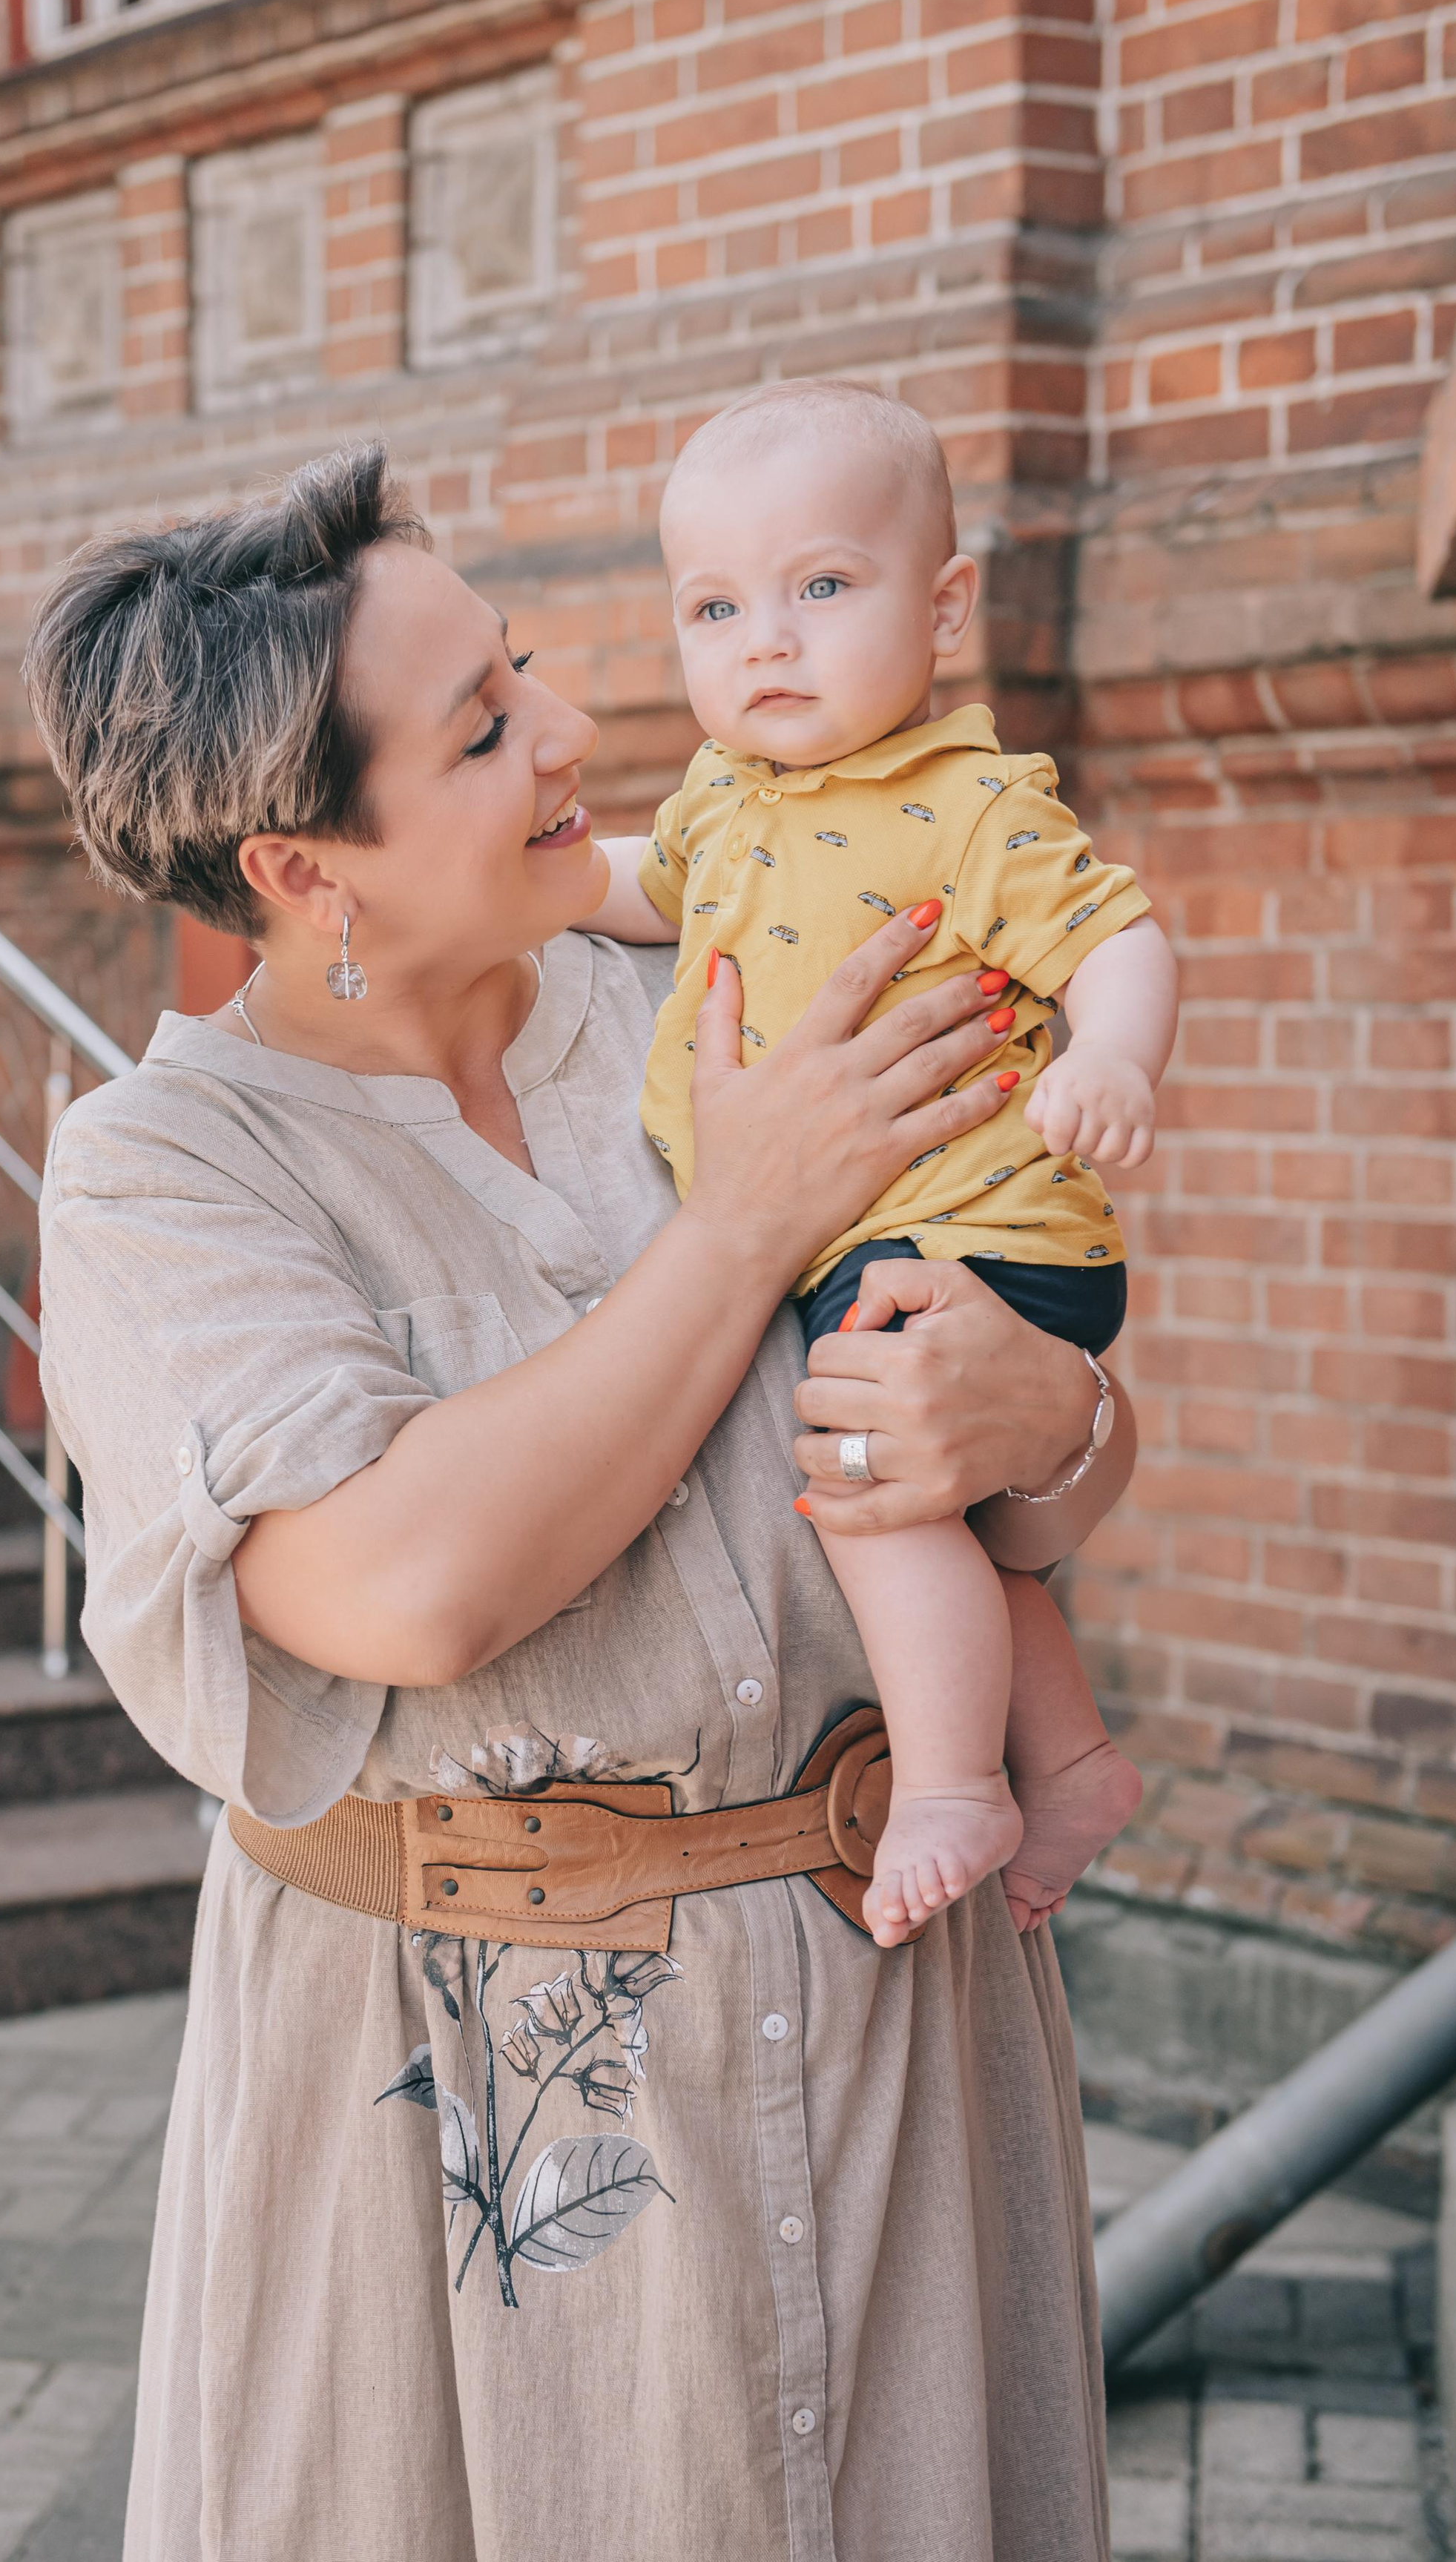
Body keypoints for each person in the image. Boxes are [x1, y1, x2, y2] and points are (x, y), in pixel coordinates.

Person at [24, 441, 1134, 2562]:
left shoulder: (722, 974)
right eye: (482, 728)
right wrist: (744, 1231)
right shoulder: (168, 1171)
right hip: (468, 2119)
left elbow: (1045, 1441)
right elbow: (400, 1584)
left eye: (521, 666)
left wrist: (1049, 1415)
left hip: (894, 2018)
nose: (578, 730)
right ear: (304, 868)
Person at [579, 381, 1175, 1946]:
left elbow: (1113, 933)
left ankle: (947, 1785)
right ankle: (1072, 1764)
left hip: (972, 1222)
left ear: (943, 605)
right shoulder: (723, 795)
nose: (763, 641)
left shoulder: (967, 801)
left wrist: (1111, 1058)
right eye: (713, 606)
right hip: (872, 1235)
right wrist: (535, 885)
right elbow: (638, 878)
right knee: (945, 1506)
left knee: (861, 1485)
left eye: (819, 588)